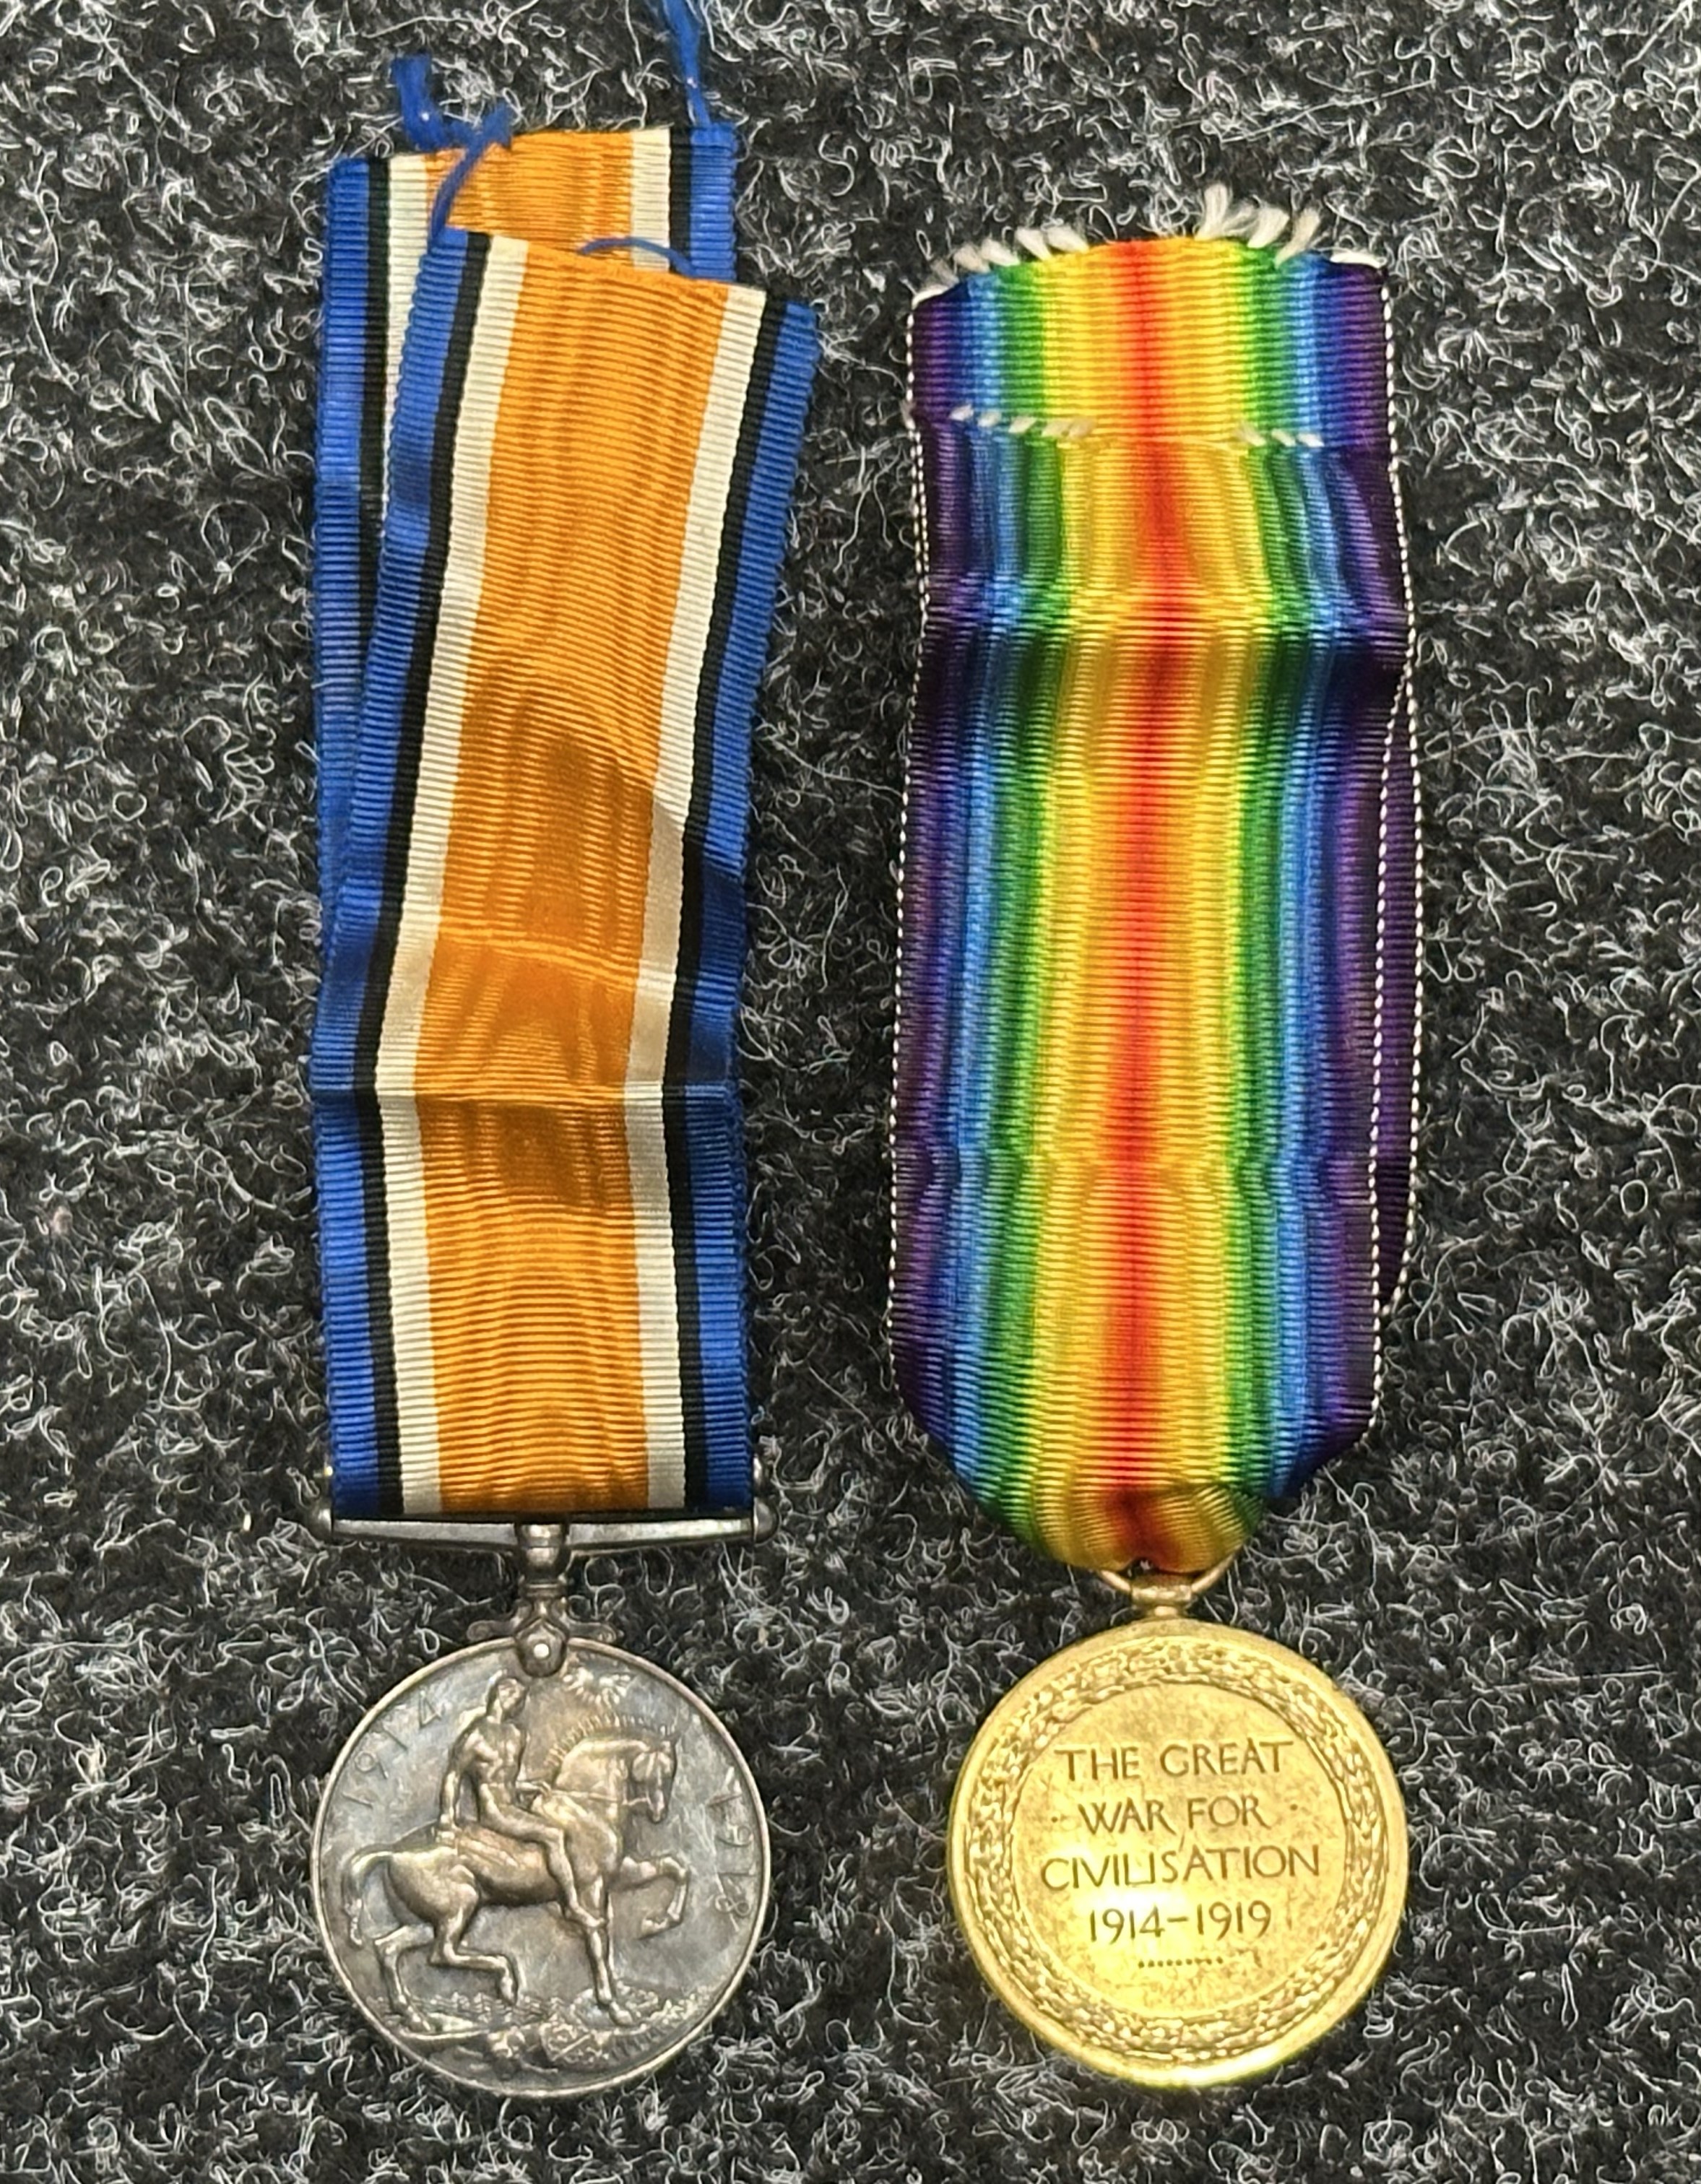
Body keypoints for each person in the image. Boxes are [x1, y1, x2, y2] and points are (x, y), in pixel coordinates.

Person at [436, 1673, 587, 1926]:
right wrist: (446, 1817)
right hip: (496, 1812)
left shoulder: (516, 1734)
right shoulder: (475, 1736)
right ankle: (571, 1904)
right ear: (498, 1694)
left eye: (519, 1698)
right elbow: (454, 1775)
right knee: (554, 1834)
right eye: (512, 1694)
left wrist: (529, 1786)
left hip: (513, 1805)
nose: (516, 1701)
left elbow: (507, 1779)